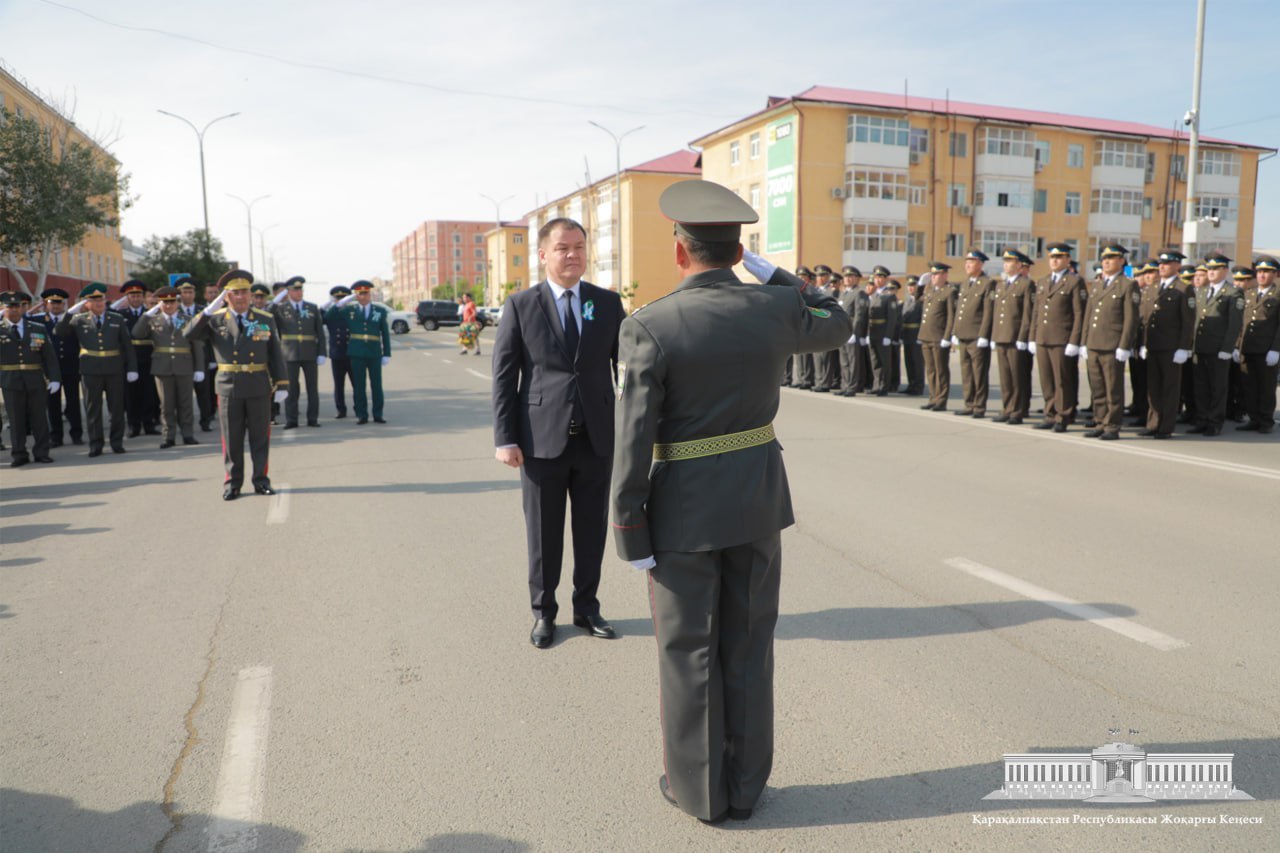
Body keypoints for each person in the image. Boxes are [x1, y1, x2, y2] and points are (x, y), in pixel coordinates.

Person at [610, 179, 851, 825]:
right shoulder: (772, 309)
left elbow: (633, 436)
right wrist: (780, 277)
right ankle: (746, 788)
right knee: (748, 644)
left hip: (683, 510)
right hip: (756, 501)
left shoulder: (649, 324)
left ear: (680, 251)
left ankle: (700, 792)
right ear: (739, 247)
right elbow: (838, 321)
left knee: (689, 651)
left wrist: (629, 526)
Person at [491, 217, 625, 650]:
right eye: (564, 248)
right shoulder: (521, 305)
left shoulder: (605, 303)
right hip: (540, 441)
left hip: (595, 440)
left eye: (580, 247)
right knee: (544, 535)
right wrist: (505, 438)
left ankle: (586, 608)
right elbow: (504, 377)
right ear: (544, 255)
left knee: (591, 531)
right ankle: (543, 613)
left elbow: (628, 364)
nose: (573, 255)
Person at [183, 269, 288, 500]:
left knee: (260, 437)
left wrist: (282, 384)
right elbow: (188, 334)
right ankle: (233, 483)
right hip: (229, 386)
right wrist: (209, 310)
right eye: (235, 293)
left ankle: (261, 480)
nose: (241, 297)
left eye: (245, 292)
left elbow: (275, 354)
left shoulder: (264, 319)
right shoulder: (215, 319)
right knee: (232, 439)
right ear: (226, 296)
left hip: (258, 384)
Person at [55, 282, 138, 456]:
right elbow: (59, 332)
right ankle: (96, 444)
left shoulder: (116, 319)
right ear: (87, 303)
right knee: (93, 409)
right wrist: (69, 313)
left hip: (114, 367)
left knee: (116, 408)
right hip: (90, 369)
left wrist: (132, 368)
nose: (98, 302)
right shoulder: (78, 320)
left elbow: (127, 345)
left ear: (105, 300)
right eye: (93, 300)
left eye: (100, 299)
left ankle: (116, 442)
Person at [132, 286, 204, 448]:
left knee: (185, 403)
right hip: (162, 367)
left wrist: (199, 368)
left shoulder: (188, 320)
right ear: (159, 303)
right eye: (165, 302)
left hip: (184, 365)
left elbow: (197, 345)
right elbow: (136, 333)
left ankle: (188, 434)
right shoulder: (153, 320)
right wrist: (148, 313)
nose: (169, 305)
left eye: (172, 302)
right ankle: (168, 436)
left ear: (177, 303)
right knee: (166, 405)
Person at [1083, 245, 1140, 440]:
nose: (1106, 261)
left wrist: (1124, 345)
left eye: (1111, 258)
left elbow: (1130, 319)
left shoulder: (1127, 285)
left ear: (1121, 261)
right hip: (1094, 343)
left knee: (1112, 388)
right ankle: (1100, 422)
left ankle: (1112, 425)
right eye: (1104, 258)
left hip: (1112, 345)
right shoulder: (1098, 284)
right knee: (1097, 387)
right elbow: (1088, 316)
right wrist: (1084, 342)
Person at [1137, 250, 1195, 439]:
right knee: (1153, 387)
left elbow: (1188, 321)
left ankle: (1166, 426)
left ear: (1177, 266)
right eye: (1160, 264)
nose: (1162, 267)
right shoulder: (1153, 287)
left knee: (1170, 388)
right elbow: (1146, 318)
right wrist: (1143, 343)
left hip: (1171, 347)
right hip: (1153, 344)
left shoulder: (1184, 288)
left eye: (1167, 264)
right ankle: (1153, 422)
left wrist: (1183, 348)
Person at [1031, 243, 1087, 432]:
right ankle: (1050, 413)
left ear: (1067, 260)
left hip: (1062, 338)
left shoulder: (1074, 282)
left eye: (1059, 257)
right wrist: (1033, 336)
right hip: (1043, 338)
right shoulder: (1043, 281)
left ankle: (1063, 416)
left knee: (1062, 380)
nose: (1054, 261)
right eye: (1052, 257)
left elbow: (1079, 313)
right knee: (1047, 379)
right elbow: (1036, 312)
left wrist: (1074, 341)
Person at [1, 290, 61, 465]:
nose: (13, 310)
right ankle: (19, 454)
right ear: (3, 308)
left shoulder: (37, 328)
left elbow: (49, 357)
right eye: (9, 307)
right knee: (16, 419)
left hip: (35, 379)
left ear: (23, 308)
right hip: (10, 380)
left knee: (39, 418)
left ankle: (42, 452)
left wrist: (55, 378)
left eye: (17, 306)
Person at [1187, 262, 1244, 436]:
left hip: (1218, 349)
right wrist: (1191, 345)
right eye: (1209, 269)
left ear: (1225, 271)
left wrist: (1227, 348)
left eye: (1216, 269)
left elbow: (1234, 324)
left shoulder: (1233, 293)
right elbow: (1196, 320)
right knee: (1201, 386)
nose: (1211, 272)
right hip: (1200, 346)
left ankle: (1214, 422)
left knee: (1217, 387)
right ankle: (1202, 419)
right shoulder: (1202, 291)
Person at [326, 280, 391, 424]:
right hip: (356, 353)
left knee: (376, 385)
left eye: (366, 293)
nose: (364, 296)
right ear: (356, 295)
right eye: (360, 293)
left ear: (370, 293)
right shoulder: (349, 311)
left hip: (374, 352)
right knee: (359, 386)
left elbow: (385, 333)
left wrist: (387, 353)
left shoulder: (379, 311)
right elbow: (328, 318)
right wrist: (340, 303)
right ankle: (362, 414)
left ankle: (378, 413)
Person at [271, 275, 327, 428]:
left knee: (312, 388)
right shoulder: (281, 309)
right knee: (291, 388)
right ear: (288, 292)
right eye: (295, 290)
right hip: (289, 353)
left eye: (300, 289)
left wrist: (322, 352)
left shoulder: (312, 307)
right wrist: (276, 300)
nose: (299, 292)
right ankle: (292, 419)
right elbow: (267, 316)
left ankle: (313, 418)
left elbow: (319, 332)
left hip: (309, 352)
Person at [31, 288, 83, 447]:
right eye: (52, 303)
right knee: (52, 404)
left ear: (64, 304)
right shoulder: (39, 320)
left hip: (70, 365)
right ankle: (56, 436)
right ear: (45, 304)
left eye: (59, 302)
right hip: (49, 369)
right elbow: (35, 344)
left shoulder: (74, 319)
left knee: (73, 401)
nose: (55, 306)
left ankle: (76, 434)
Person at [1235, 255, 1280, 433]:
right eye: (1259, 271)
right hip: (1248, 347)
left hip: (1266, 349)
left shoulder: (1277, 295)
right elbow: (1241, 323)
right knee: (1249, 385)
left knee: (1266, 387)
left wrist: (1276, 349)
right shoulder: (1249, 293)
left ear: (1275, 274)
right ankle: (1253, 418)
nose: (1262, 275)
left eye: (1266, 272)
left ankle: (1266, 420)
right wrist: (1237, 346)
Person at [991, 249, 1036, 424]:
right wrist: (994, 335)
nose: (1006, 264)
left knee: (1017, 376)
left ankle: (1017, 411)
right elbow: (997, 312)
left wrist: (1023, 337)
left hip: (1015, 337)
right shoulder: (1001, 285)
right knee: (1005, 377)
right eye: (1005, 261)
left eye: (1010, 261)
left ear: (1019, 265)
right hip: (1002, 336)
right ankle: (1007, 408)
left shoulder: (1026, 284)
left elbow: (1027, 313)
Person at [951, 250, 996, 417]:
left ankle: (979, 406)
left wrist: (984, 335)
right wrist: (955, 331)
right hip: (963, 335)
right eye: (966, 261)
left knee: (979, 373)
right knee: (967, 373)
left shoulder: (987, 283)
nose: (967, 264)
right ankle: (968, 403)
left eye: (972, 261)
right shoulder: (965, 283)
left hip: (977, 336)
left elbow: (987, 312)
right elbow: (959, 310)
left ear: (980, 264)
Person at [114, 280, 161, 436]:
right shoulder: (121, 315)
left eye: (138, 295)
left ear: (143, 297)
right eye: (132, 296)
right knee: (130, 395)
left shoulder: (151, 314)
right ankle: (133, 425)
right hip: (128, 359)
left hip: (148, 357)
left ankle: (149, 423)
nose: (135, 298)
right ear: (127, 298)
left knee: (149, 393)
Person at [919, 261, 957, 410]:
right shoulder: (930, 291)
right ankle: (933, 398)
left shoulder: (949, 291)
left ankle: (941, 400)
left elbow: (950, 316)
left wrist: (947, 337)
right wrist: (921, 285)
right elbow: (918, 299)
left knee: (941, 370)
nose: (934, 277)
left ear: (945, 275)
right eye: (933, 274)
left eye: (937, 274)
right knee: (930, 370)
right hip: (926, 335)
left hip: (939, 336)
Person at [322, 285, 353, 418]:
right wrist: (330, 305)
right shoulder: (332, 313)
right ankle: (341, 409)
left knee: (356, 384)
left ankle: (358, 408)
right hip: (337, 353)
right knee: (339, 384)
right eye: (338, 298)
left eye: (344, 298)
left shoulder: (352, 311)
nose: (341, 301)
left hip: (352, 353)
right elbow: (322, 319)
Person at [837, 266, 866, 396]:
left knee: (852, 360)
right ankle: (845, 385)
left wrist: (854, 332)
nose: (847, 279)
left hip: (851, 331)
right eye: (845, 276)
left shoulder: (858, 292)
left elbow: (859, 314)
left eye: (850, 276)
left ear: (856, 279)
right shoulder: (843, 293)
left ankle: (852, 386)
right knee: (844, 360)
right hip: (842, 331)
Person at [899, 275, 925, 395]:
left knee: (917, 361)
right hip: (907, 334)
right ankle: (911, 384)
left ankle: (918, 386)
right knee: (908, 361)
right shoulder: (907, 301)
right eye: (909, 286)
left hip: (916, 334)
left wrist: (921, 336)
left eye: (913, 285)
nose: (910, 288)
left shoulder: (921, 301)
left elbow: (922, 319)